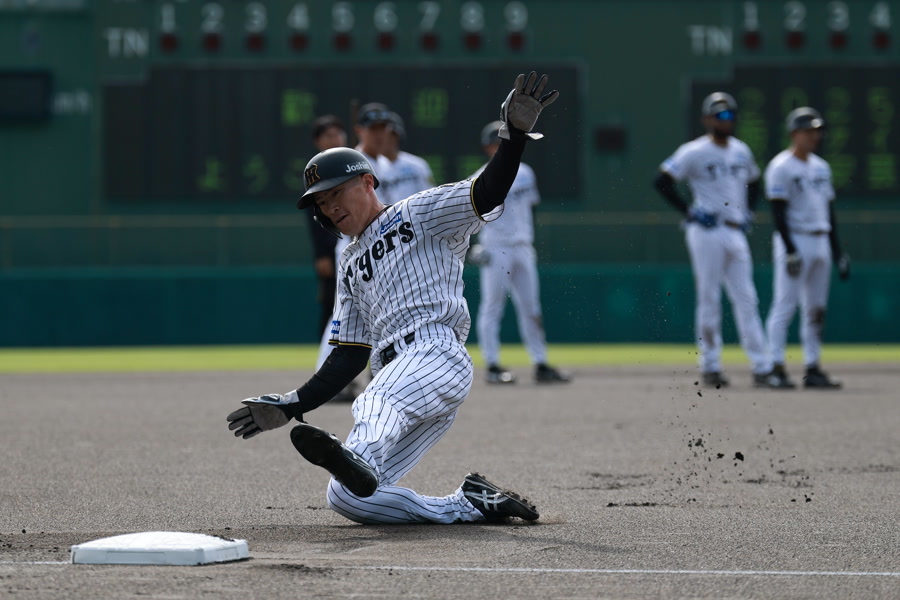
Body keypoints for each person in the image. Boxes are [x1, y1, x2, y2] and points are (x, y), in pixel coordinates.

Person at [227, 71, 559, 524]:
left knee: (373, 403)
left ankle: (360, 453)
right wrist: (292, 404)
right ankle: (470, 504)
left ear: (368, 182)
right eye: (321, 202)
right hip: (397, 375)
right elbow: (348, 355)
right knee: (346, 497)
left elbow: (486, 193)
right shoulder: (349, 263)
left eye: (335, 192)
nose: (329, 206)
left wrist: (514, 138)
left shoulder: (419, 212)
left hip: (434, 354)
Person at [653, 92, 779, 389]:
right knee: (709, 297)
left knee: (747, 299)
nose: (726, 120)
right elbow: (662, 181)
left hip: (735, 230)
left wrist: (749, 212)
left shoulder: (741, 150)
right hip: (706, 230)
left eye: (730, 115)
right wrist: (689, 211)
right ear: (707, 119)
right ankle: (710, 366)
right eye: (720, 115)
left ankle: (761, 367)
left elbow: (754, 182)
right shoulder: (694, 150)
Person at [469, 120, 570, 385]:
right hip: (496, 248)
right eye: (497, 142)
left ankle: (540, 363)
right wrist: (476, 244)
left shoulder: (525, 173)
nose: (501, 146)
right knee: (492, 308)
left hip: (523, 246)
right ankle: (492, 365)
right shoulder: (479, 178)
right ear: (488, 147)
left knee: (531, 308)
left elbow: (529, 208)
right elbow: (470, 216)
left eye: (505, 141)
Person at [763, 107, 850, 389]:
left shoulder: (821, 167)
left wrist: (838, 252)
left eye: (817, 131)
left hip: (820, 238)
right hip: (796, 238)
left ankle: (812, 367)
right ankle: (775, 367)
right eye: (809, 131)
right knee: (785, 305)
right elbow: (777, 212)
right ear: (794, 133)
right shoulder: (781, 166)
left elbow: (829, 213)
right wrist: (790, 249)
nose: (815, 136)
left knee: (816, 309)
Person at [306, 115, 347, 333]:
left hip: (359, 240)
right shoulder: (315, 172)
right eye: (329, 135)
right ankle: (328, 349)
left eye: (338, 134)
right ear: (318, 141)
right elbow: (314, 218)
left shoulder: (353, 164)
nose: (335, 139)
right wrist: (321, 254)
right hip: (332, 248)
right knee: (332, 302)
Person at [381, 111, 435, 200]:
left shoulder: (418, 165)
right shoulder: (372, 166)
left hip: (415, 209)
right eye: (385, 135)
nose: (388, 139)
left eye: (393, 135)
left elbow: (430, 197)